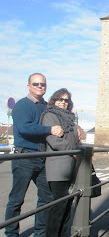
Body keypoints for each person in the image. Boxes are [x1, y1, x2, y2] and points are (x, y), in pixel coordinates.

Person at [5, 73, 63, 237]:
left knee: (46, 197)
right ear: (29, 86)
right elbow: (25, 128)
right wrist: (49, 130)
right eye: (36, 84)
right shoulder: (23, 105)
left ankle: (41, 232)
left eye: (43, 84)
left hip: (42, 157)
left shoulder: (46, 107)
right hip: (25, 158)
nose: (40, 86)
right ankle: (11, 233)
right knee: (17, 198)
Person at [40, 88, 80, 237]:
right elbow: (54, 141)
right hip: (57, 166)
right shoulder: (49, 115)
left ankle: (62, 235)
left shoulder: (69, 118)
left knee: (66, 204)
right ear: (54, 100)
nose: (63, 102)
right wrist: (74, 152)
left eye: (66, 100)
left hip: (69, 165)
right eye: (60, 99)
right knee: (59, 205)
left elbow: (74, 139)